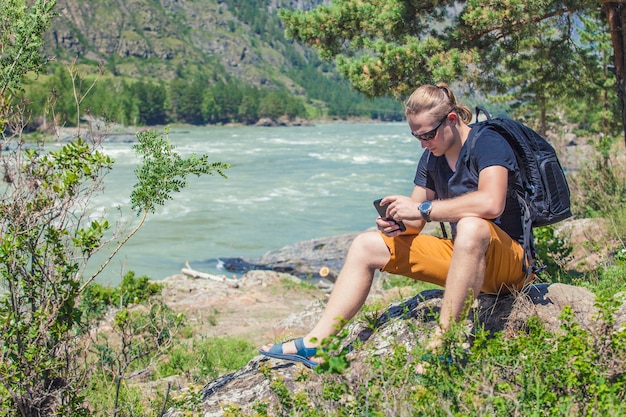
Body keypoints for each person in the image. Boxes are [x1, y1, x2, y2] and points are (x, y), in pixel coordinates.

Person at [259, 82, 531, 368]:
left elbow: (491, 203)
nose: (424, 143)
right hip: (464, 260)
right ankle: (316, 343)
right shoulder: (431, 157)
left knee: (472, 225)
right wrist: (399, 223)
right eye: (417, 137)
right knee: (367, 244)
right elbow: (416, 219)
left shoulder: (487, 142)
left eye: (427, 135)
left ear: (451, 119)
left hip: (509, 264)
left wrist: (424, 209)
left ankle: (444, 341)